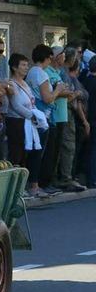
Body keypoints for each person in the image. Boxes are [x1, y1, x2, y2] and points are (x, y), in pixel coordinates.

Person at [26, 44, 68, 195]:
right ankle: (37, 185)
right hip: (43, 117)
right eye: (50, 57)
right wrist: (58, 90)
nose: (51, 60)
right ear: (47, 57)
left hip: (35, 116)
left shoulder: (31, 71)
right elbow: (48, 98)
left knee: (36, 151)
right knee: (43, 152)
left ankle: (34, 183)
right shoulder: (41, 74)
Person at [6, 53, 48, 198]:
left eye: (26, 65)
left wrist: (35, 115)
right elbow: (16, 105)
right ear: (14, 67)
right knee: (17, 154)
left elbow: (31, 102)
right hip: (17, 122)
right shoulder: (11, 83)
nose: (26, 68)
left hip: (29, 122)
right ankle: (15, 189)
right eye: (23, 65)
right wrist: (32, 115)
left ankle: (27, 185)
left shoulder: (25, 83)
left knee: (29, 153)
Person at [40, 46, 74, 193]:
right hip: (54, 115)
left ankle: (53, 179)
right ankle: (47, 180)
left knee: (57, 149)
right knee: (51, 150)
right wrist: (63, 91)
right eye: (61, 54)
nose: (64, 57)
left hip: (62, 115)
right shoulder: (46, 72)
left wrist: (64, 91)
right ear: (54, 57)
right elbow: (55, 91)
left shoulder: (58, 72)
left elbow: (65, 89)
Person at [57, 53, 89, 192]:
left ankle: (67, 176)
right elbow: (71, 98)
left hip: (68, 114)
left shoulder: (68, 76)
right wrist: (75, 95)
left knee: (68, 147)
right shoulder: (64, 74)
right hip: (64, 114)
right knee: (66, 147)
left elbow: (79, 95)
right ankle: (65, 178)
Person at [80, 56, 96, 188]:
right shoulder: (93, 81)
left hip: (87, 118)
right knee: (92, 150)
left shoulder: (85, 80)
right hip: (92, 119)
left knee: (89, 149)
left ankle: (89, 177)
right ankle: (92, 179)